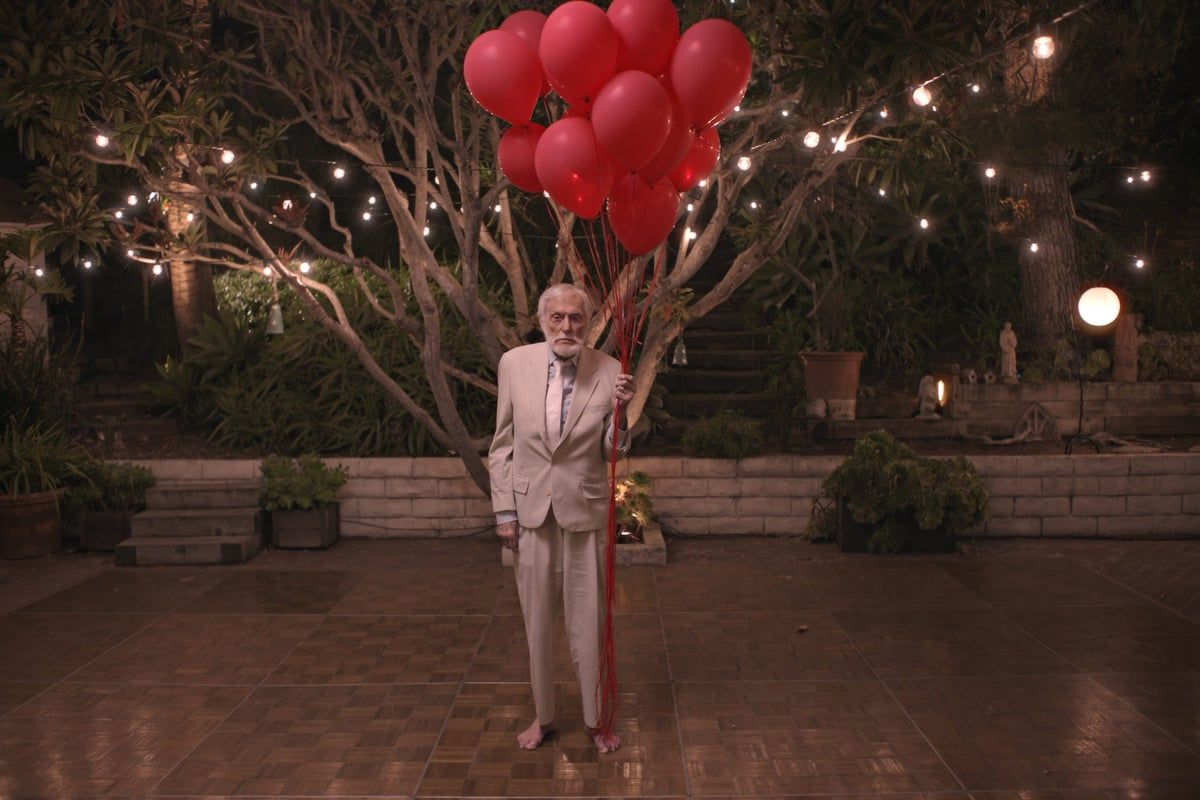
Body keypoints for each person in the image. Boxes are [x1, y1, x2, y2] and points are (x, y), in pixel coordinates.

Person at [488, 283, 634, 754]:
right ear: (542, 320)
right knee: (537, 622)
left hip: (585, 510)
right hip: (529, 512)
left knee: (589, 621)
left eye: (576, 318)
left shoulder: (610, 370)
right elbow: (502, 445)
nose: (567, 326)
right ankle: (545, 716)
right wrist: (505, 511)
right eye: (558, 317)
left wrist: (622, 414)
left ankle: (595, 719)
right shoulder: (513, 364)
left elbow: (612, 451)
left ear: (589, 324)